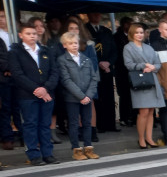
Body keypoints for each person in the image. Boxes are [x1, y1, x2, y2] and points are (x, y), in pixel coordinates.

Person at [8, 21, 59, 165]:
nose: (32, 36)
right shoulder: (15, 52)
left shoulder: (45, 51)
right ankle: (33, 154)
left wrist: (46, 88)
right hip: (27, 95)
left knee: (45, 124)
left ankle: (47, 153)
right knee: (31, 124)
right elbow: (17, 74)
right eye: (28, 34)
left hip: (47, 94)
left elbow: (54, 72)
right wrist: (36, 90)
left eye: (34, 34)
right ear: (21, 35)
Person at [57, 31, 100, 159]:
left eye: (75, 43)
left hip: (87, 97)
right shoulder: (62, 60)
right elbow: (66, 80)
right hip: (72, 98)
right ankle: (76, 149)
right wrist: (81, 96)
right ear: (65, 45)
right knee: (74, 123)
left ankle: (88, 147)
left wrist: (88, 95)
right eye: (70, 43)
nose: (74, 45)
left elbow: (93, 78)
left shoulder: (85, 59)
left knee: (87, 122)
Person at [123, 23, 165, 149]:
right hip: (140, 82)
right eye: (137, 32)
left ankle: (149, 138)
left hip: (151, 81)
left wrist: (153, 67)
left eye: (141, 32)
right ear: (132, 34)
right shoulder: (128, 48)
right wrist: (144, 66)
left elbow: (158, 63)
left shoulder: (149, 47)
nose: (140, 35)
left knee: (151, 110)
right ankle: (141, 139)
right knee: (143, 111)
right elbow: (128, 65)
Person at [85, 13, 119, 133]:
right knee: (97, 98)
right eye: (95, 14)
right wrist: (99, 63)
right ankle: (99, 124)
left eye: (99, 14)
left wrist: (109, 62)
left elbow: (114, 50)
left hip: (107, 69)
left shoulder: (106, 31)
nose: (97, 16)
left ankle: (110, 124)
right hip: (94, 69)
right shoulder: (85, 30)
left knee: (109, 96)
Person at [114, 16, 136, 127]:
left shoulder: (133, 37)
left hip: (132, 70)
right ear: (125, 25)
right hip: (121, 70)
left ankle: (132, 116)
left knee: (134, 94)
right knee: (124, 94)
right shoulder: (117, 37)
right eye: (129, 24)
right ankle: (124, 117)